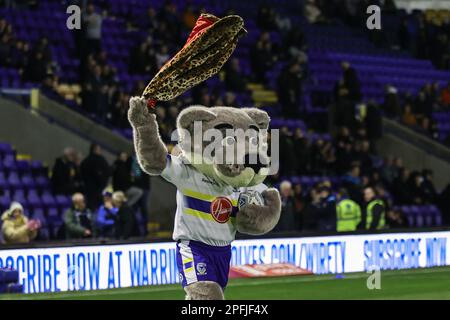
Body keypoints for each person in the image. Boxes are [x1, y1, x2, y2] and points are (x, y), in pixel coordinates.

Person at [80, 144, 110, 210]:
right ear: (94, 150)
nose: (99, 151)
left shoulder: (87, 160)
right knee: (94, 207)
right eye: (98, 149)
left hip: (93, 188)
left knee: (94, 207)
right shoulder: (96, 160)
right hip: (94, 189)